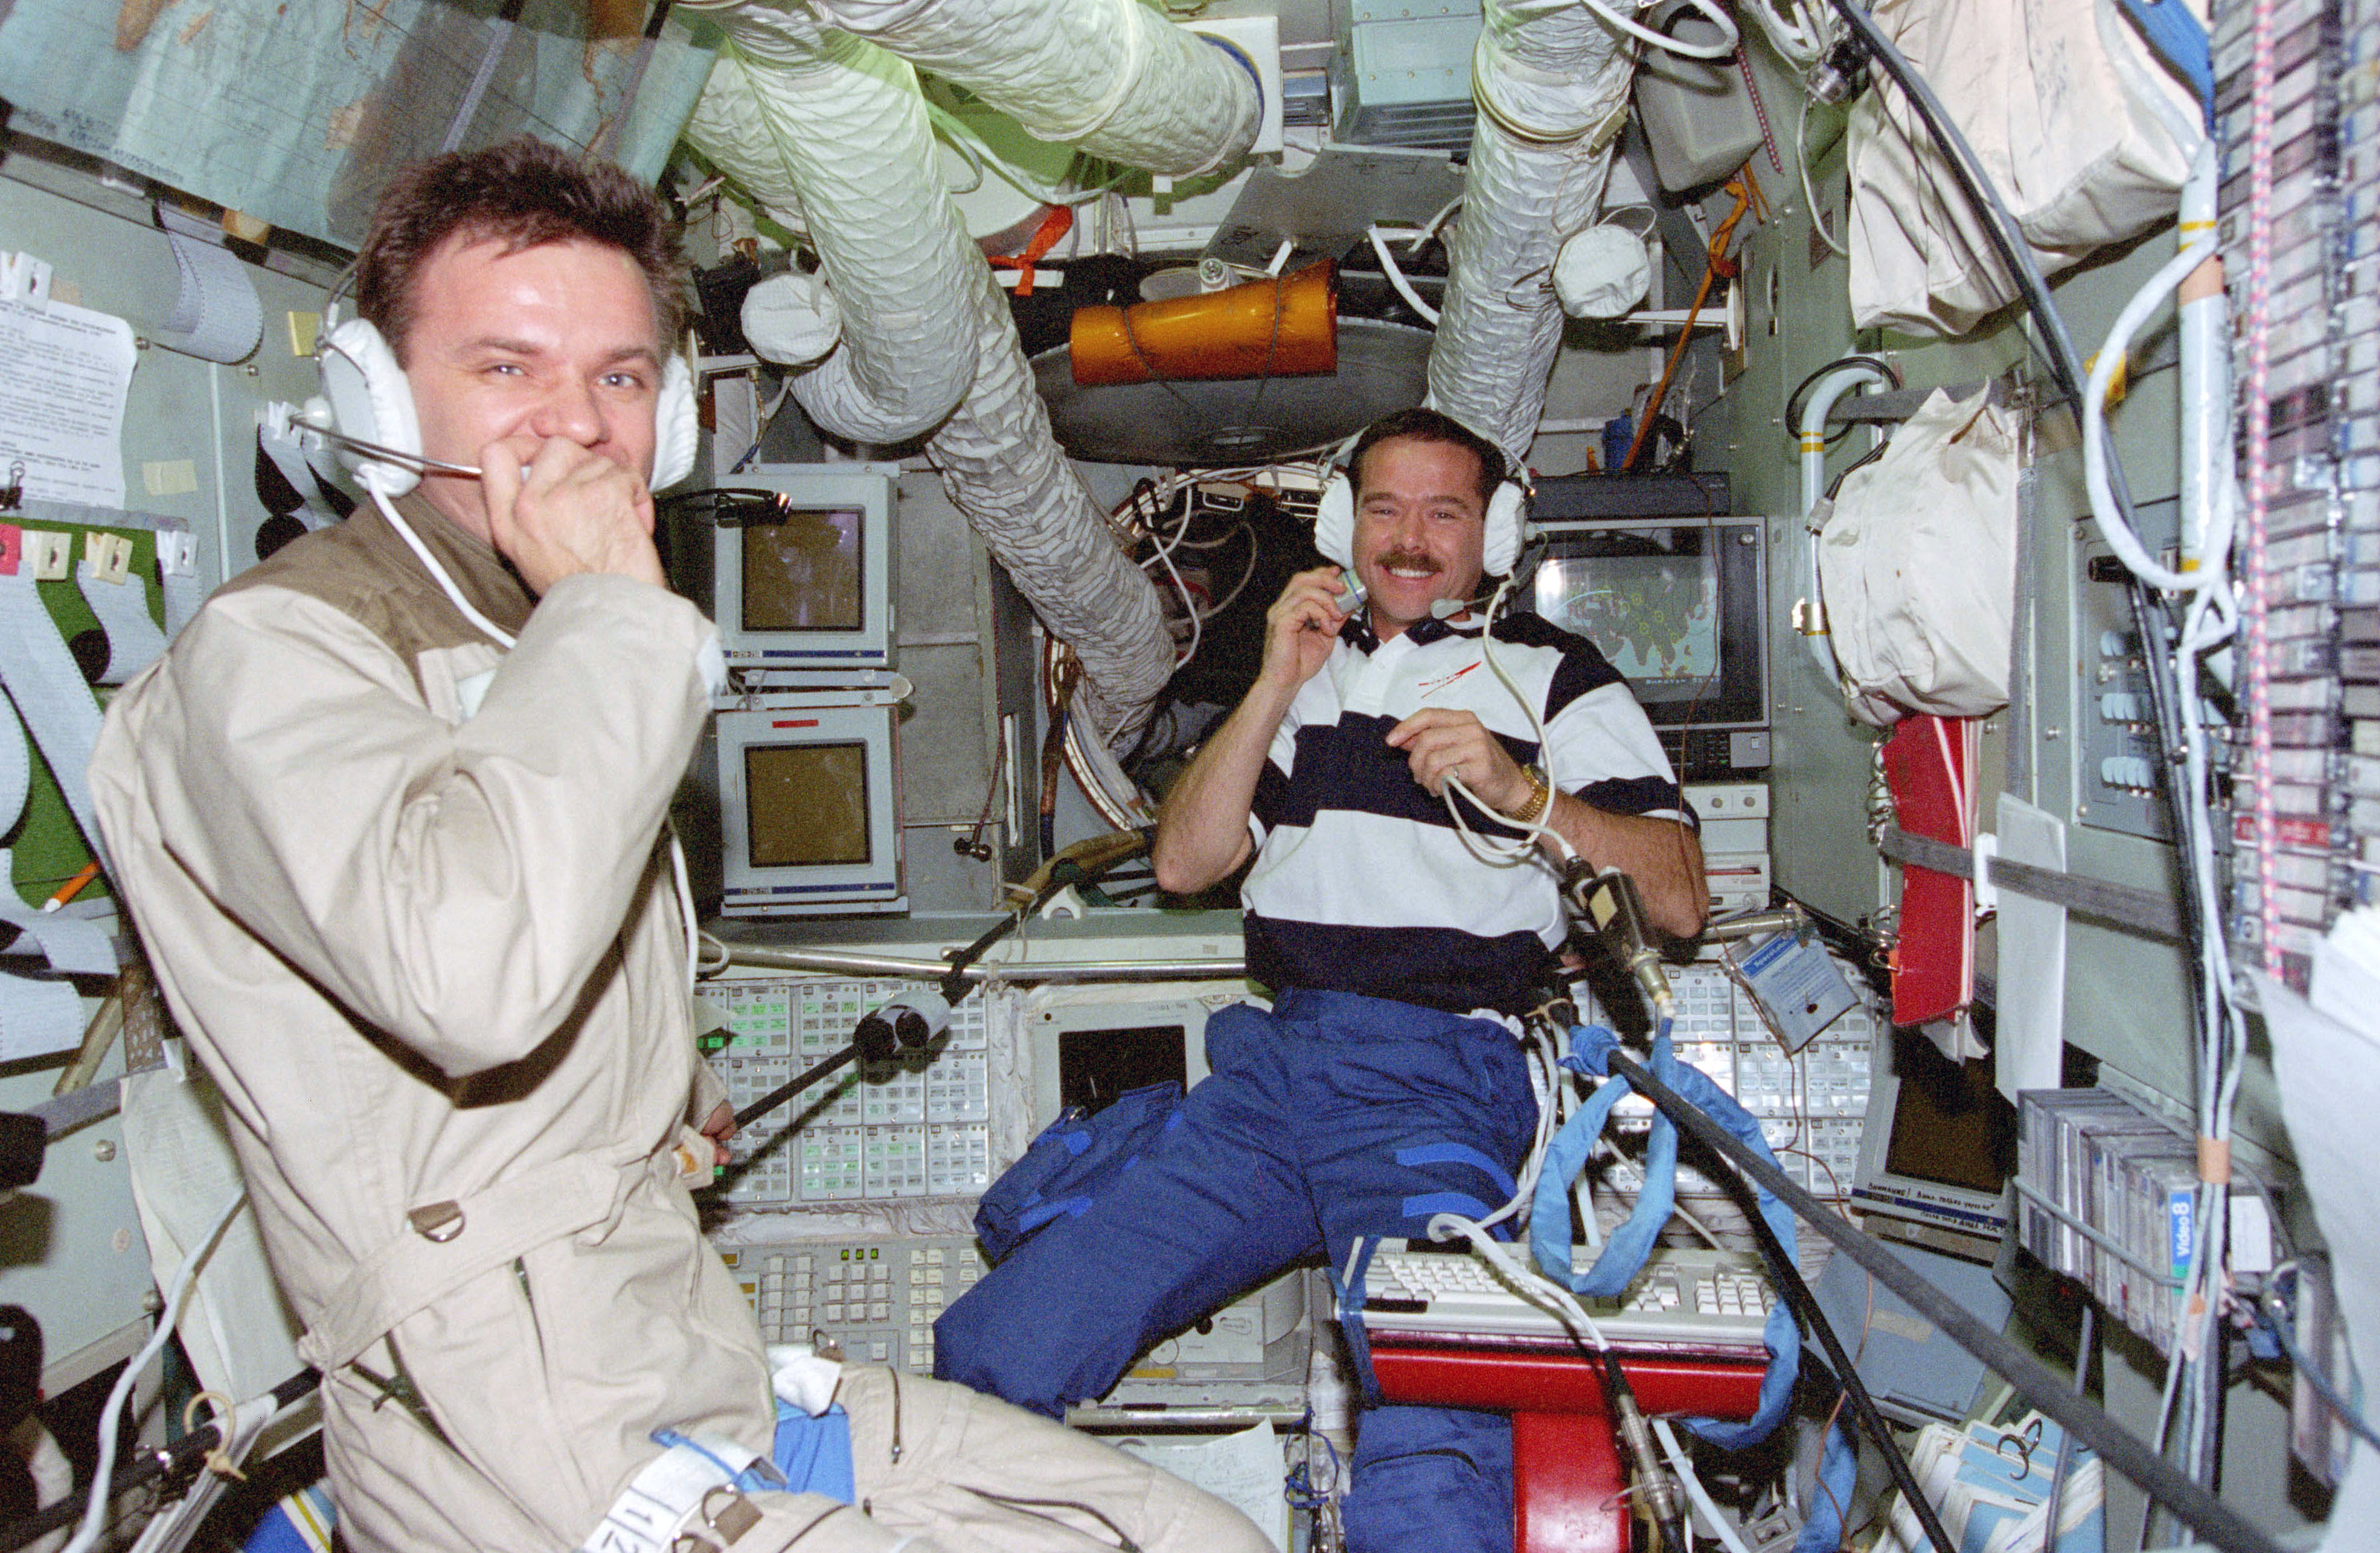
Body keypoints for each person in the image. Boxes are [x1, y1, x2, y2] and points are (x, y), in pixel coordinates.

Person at [89, 139, 1266, 1553]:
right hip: (501, 1411)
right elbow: (472, 977)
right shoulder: (274, 654)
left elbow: (546, 947)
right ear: (375, 400)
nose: (576, 429)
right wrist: (612, 614)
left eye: (620, 378)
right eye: (507, 368)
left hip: (672, 1347)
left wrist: (662, 1090)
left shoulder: (533, 639)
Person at [932, 407, 1705, 1553]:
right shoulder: (1308, 678)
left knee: (1431, 1466)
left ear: (1491, 535)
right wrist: (1269, 684)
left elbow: (1680, 894)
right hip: (1270, 1075)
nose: (1410, 538)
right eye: (1383, 509)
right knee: (991, 1352)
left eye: (1443, 513)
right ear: (1344, 525)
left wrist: (1525, 794)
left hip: (1434, 1083)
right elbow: (1184, 860)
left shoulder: (1554, 679)